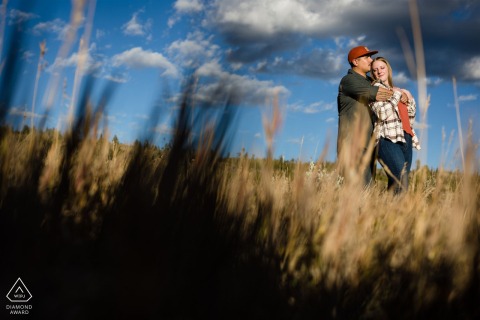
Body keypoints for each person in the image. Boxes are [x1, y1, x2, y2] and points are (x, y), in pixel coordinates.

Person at [337, 46, 397, 186]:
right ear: (355, 62)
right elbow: (378, 93)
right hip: (352, 144)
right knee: (356, 190)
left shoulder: (370, 80)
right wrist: (399, 93)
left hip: (368, 144)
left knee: (368, 190)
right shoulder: (348, 80)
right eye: (366, 57)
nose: (371, 60)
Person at [369, 56, 421, 194]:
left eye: (382, 67)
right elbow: (382, 113)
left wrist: (409, 98)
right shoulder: (376, 89)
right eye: (374, 70)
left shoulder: (396, 90)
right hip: (387, 139)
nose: (379, 71)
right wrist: (397, 95)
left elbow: (410, 118)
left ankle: (390, 214)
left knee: (398, 183)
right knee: (400, 180)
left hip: (406, 138)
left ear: (388, 69)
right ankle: (395, 214)